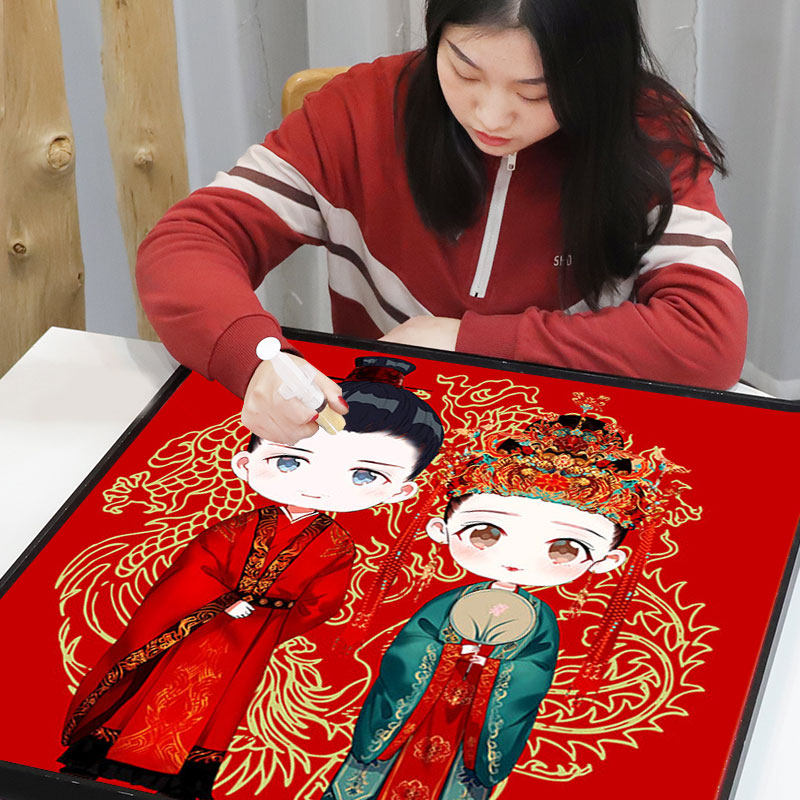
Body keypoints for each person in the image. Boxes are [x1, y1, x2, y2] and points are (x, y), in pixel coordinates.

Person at [136, 0, 746, 447]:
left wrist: (463, 342)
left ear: (597, 73)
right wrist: (256, 358)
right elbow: (190, 241)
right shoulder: (362, 111)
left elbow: (706, 342)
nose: (492, 116)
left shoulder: (648, 137)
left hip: (573, 444)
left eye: (536, 93)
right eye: (465, 71)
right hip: (380, 436)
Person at [58, 356, 444, 800]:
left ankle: (181, 777)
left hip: (255, 635)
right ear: (246, 462)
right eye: (291, 462)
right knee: (159, 685)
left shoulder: (337, 545)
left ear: (401, 491)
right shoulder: (240, 526)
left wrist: (273, 622)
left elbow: (323, 602)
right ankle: (106, 753)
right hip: (199, 623)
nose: (318, 485)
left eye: (363, 475)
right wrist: (224, 600)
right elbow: (195, 564)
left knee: (222, 704)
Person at [322, 407, 685, 800]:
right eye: (486, 533)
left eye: (564, 548)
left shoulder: (540, 619)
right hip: (417, 710)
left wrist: (493, 665)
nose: (517, 559)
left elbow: (533, 675)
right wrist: (450, 655)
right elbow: (408, 651)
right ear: (441, 530)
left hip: (474, 725)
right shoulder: (450, 602)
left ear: (607, 561)